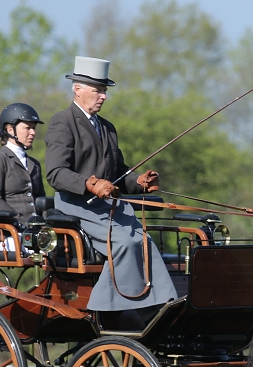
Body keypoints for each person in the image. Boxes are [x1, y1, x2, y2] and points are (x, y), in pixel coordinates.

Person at [44, 56, 175, 324]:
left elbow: (118, 175)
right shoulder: (62, 122)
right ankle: (111, 308)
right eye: (97, 90)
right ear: (77, 88)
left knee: (145, 242)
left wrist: (139, 182)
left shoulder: (107, 128)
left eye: (104, 91)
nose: (102, 96)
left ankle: (158, 306)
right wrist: (89, 184)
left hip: (108, 207)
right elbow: (55, 174)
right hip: (76, 205)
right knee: (126, 242)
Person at [0, 103, 46, 228]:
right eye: (28, 128)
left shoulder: (35, 164)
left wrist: (46, 225)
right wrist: (18, 221)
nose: (33, 132)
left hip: (35, 233)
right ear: (10, 130)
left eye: (34, 128)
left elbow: (41, 200)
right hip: (7, 231)